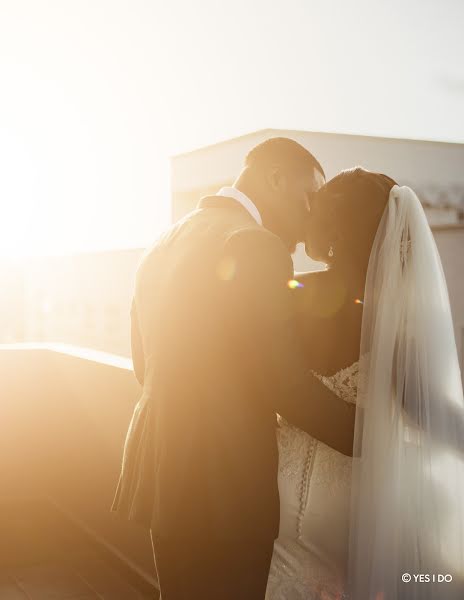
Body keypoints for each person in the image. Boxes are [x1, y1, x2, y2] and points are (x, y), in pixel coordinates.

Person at [110, 137, 356, 600]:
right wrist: (371, 436)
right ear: (275, 178)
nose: (308, 225)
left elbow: (144, 367)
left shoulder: (161, 243)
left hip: (163, 472)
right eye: (308, 199)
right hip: (224, 483)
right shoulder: (256, 244)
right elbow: (284, 382)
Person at [265, 167, 464, 599]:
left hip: (280, 483)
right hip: (358, 497)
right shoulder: (395, 318)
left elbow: (274, 380)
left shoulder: (292, 292)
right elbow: (425, 410)